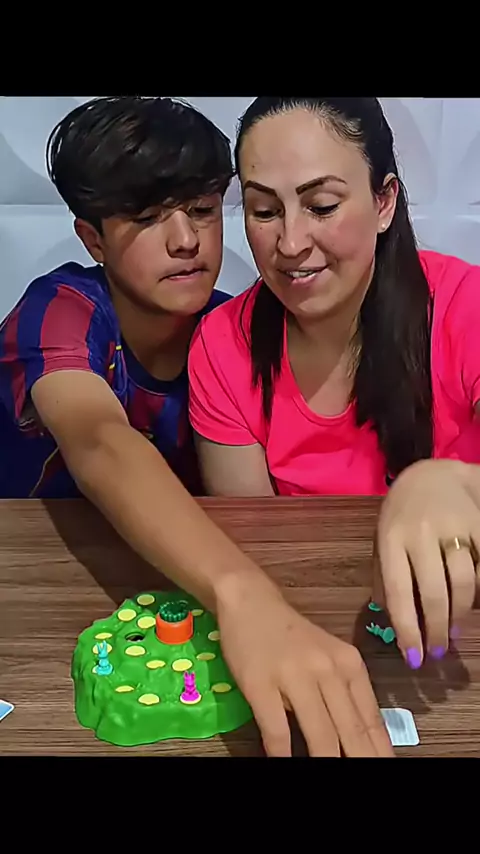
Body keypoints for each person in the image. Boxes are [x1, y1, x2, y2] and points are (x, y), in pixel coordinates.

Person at [0, 96, 393, 758]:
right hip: (37, 589)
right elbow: (100, 440)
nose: (185, 240)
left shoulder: (233, 331)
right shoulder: (60, 310)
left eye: (203, 211)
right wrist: (242, 593)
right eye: (146, 218)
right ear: (92, 239)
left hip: (177, 602)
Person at [188, 96, 480, 680]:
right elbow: (255, 559)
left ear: (384, 202)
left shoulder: (464, 306)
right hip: (308, 641)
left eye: (321, 206)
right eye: (264, 211)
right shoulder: (222, 345)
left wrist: (455, 483)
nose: (291, 243)